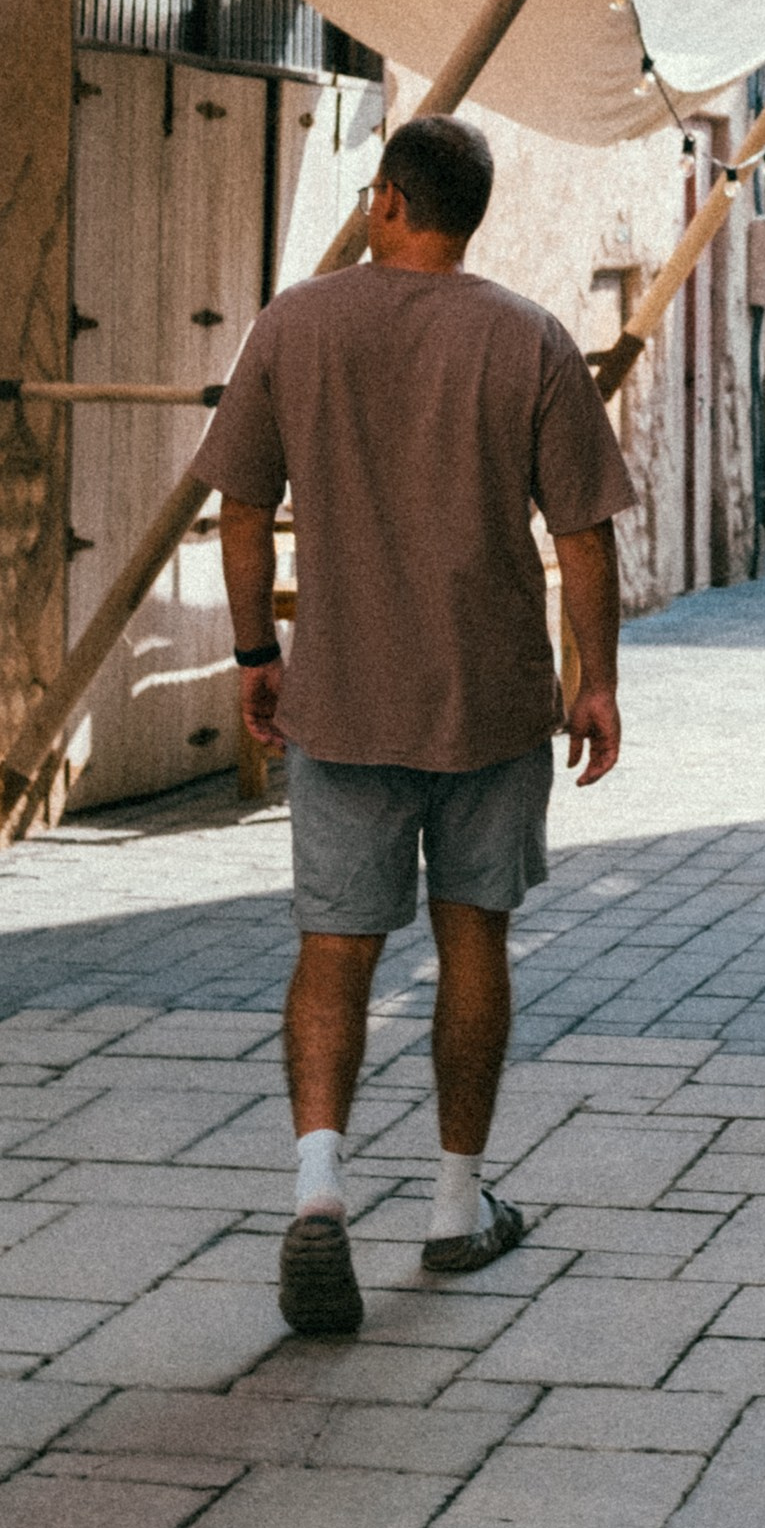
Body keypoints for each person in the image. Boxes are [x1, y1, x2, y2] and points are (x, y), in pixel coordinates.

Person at [196, 112, 632, 1337]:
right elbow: (582, 533)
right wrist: (592, 680)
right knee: (472, 941)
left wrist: (255, 652)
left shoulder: (296, 321)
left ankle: (320, 1187)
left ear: (387, 200)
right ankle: (453, 1205)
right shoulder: (529, 337)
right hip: (490, 697)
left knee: (334, 946)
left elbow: (240, 506)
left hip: (343, 691)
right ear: (468, 214)